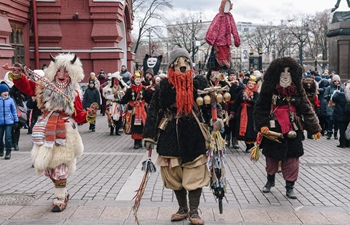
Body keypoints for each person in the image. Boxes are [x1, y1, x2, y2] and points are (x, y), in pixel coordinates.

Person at [3, 53, 97, 212]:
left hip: (65, 131)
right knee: (48, 169)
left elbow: (78, 114)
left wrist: (88, 115)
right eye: (59, 71)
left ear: (72, 73)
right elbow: (27, 87)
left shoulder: (74, 93)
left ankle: (59, 198)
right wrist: (18, 75)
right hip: (45, 129)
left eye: (65, 71)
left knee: (60, 166)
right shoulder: (44, 86)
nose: (61, 75)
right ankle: (64, 192)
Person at [143, 48, 210, 225]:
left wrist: (216, 124)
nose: (183, 65)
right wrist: (149, 135)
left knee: (195, 172)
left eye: (186, 61)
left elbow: (210, 108)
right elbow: (153, 110)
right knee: (174, 174)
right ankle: (183, 209)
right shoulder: (164, 86)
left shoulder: (199, 83)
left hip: (193, 133)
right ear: (172, 64)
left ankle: (194, 212)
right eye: (179, 61)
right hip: (170, 133)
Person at [254, 57, 321, 199]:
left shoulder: (298, 90)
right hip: (273, 127)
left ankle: (290, 186)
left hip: (293, 127)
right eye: (282, 74)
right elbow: (260, 108)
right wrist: (262, 125)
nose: (285, 77)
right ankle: (270, 180)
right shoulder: (268, 89)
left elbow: (306, 108)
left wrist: (315, 128)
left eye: (288, 74)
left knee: (293, 158)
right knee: (271, 157)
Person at [119, 71, 151, 149]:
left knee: (142, 125)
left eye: (139, 79)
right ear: (134, 80)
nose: (138, 81)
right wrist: (117, 100)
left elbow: (149, 98)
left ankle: (140, 141)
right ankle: (136, 142)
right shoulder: (130, 90)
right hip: (133, 110)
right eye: (136, 79)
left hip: (142, 110)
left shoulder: (144, 89)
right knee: (135, 126)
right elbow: (125, 99)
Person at [232, 75, 259, 153]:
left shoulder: (256, 93)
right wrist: (233, 112)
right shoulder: (242, 92)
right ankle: (247, 145)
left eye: (252, 84)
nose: (250, 85)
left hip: (251, 113)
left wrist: (250, 100)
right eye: (249, 83)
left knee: (250, 129)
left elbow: (257, 103)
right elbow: (236, 102)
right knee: (244, 129)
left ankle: (251, 145)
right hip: (242, 112)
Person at [2, 71, 26, 151]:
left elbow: (24, 94)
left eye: (13, 77)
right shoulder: (3, 85)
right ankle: (9, 143)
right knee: (9, 128)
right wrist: (15, 86)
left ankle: (16, 143)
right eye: (10, 77)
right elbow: (10, 92)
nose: (11, 78)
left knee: (17, 126)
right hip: (6, 109)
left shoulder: (17, 85)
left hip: (17, 108)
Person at [225, 70, 245, 148]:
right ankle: (227, 139)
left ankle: (235, 141)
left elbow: (244, 90)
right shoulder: (226, 83)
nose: (232, 77)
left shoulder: (239, 84)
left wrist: (238, 85)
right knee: (227, 123)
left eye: (233, 75)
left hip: (236, 106)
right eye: (231, 75)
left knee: (235, 123)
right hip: (228, 106)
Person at [0, 84, 19, 160]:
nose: (6, 93)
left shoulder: (10, 100)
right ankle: (1, 148)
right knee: (0, 137)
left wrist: (16, 120)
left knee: (8, 137)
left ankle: (8, 151)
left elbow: (14, 111)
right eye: (4, 91)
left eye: (7, 91)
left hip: (9, 122)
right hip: (0, 122)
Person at [331, 80, 350, 148]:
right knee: (348, 129)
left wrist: (337, 92)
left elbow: (334, 98)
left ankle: (342, 143)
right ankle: (348, 143)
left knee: (342, 129)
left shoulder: (341, 94)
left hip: (341, 115)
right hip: (348, 115)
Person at [324, 75, 342, 140]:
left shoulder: (341, 88)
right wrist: (328, 96)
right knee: (331, 119)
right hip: (331, 105)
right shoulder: (329, 88)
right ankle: (329, 132)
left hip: (338, 105)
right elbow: (325, 95)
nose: (337, 82)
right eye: (335, 81)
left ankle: (336, 133)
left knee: (337, 120)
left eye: (338, 81)